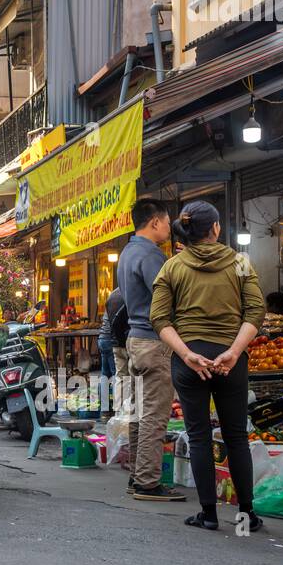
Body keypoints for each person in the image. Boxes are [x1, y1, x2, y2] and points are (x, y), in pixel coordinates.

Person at [151, 200, 266, 533]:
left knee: (199, 437)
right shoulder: (241, 263)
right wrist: (233, 351)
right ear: (215, 228)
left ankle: (208, 514)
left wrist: (186, 354)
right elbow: (255, 312)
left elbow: (159, 318)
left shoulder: (172, 267)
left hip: (190, 362)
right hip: (230, 361)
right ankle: (247, 514)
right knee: (236, 437)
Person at [116, 198, 185, 502]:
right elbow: (167, 297)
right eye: (168, 223)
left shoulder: (128, 251)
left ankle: (137, 475)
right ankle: (147, 482)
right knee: (155, 415)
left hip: (135, 340)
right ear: (155, 222)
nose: (170, 229)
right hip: (154, 341)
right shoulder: (150, 255)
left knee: (139, 413)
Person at [96, 286, 127, 391]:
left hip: (102, 338)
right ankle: (116, 404)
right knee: (116, 375)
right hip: (111, 339)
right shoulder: (125, 294)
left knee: (105, 374)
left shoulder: (112, 295)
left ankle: (103, 403)